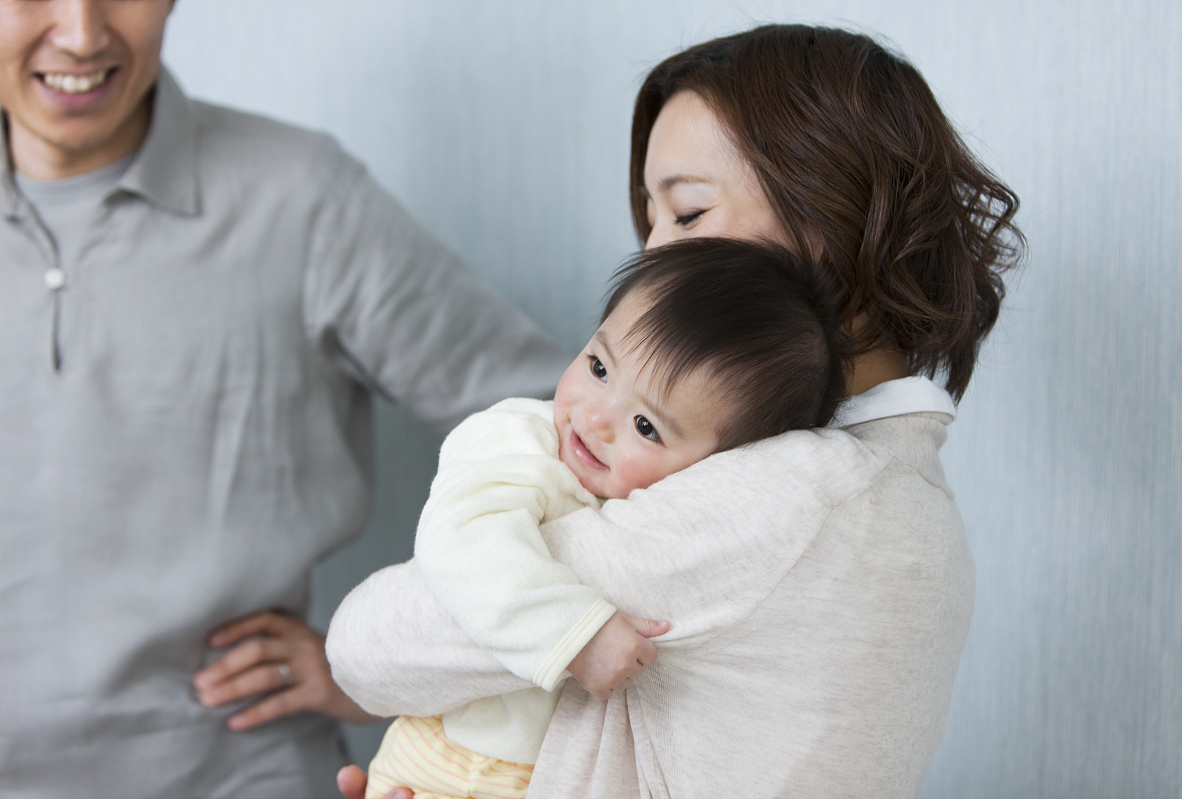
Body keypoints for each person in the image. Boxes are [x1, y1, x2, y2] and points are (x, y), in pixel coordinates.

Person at [328, 23, 1024, 799]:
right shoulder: (900, 491)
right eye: (651, 217)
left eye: (688, 214)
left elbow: (368, 647)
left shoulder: (791, 492)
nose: (657, 256)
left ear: (834, 215)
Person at [0, 1, 567, 797]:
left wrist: (387, 662)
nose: (83, 33)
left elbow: (569, 436)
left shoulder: (302, 198)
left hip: (236, 772)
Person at [362, 238, 850, 799]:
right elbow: (461, 543)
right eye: (598, 367)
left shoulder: (682, 518)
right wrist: (576, 636)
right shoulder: (517, 440)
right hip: (451, 756)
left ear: (717, 471)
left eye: (647, 426)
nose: (595, 417)